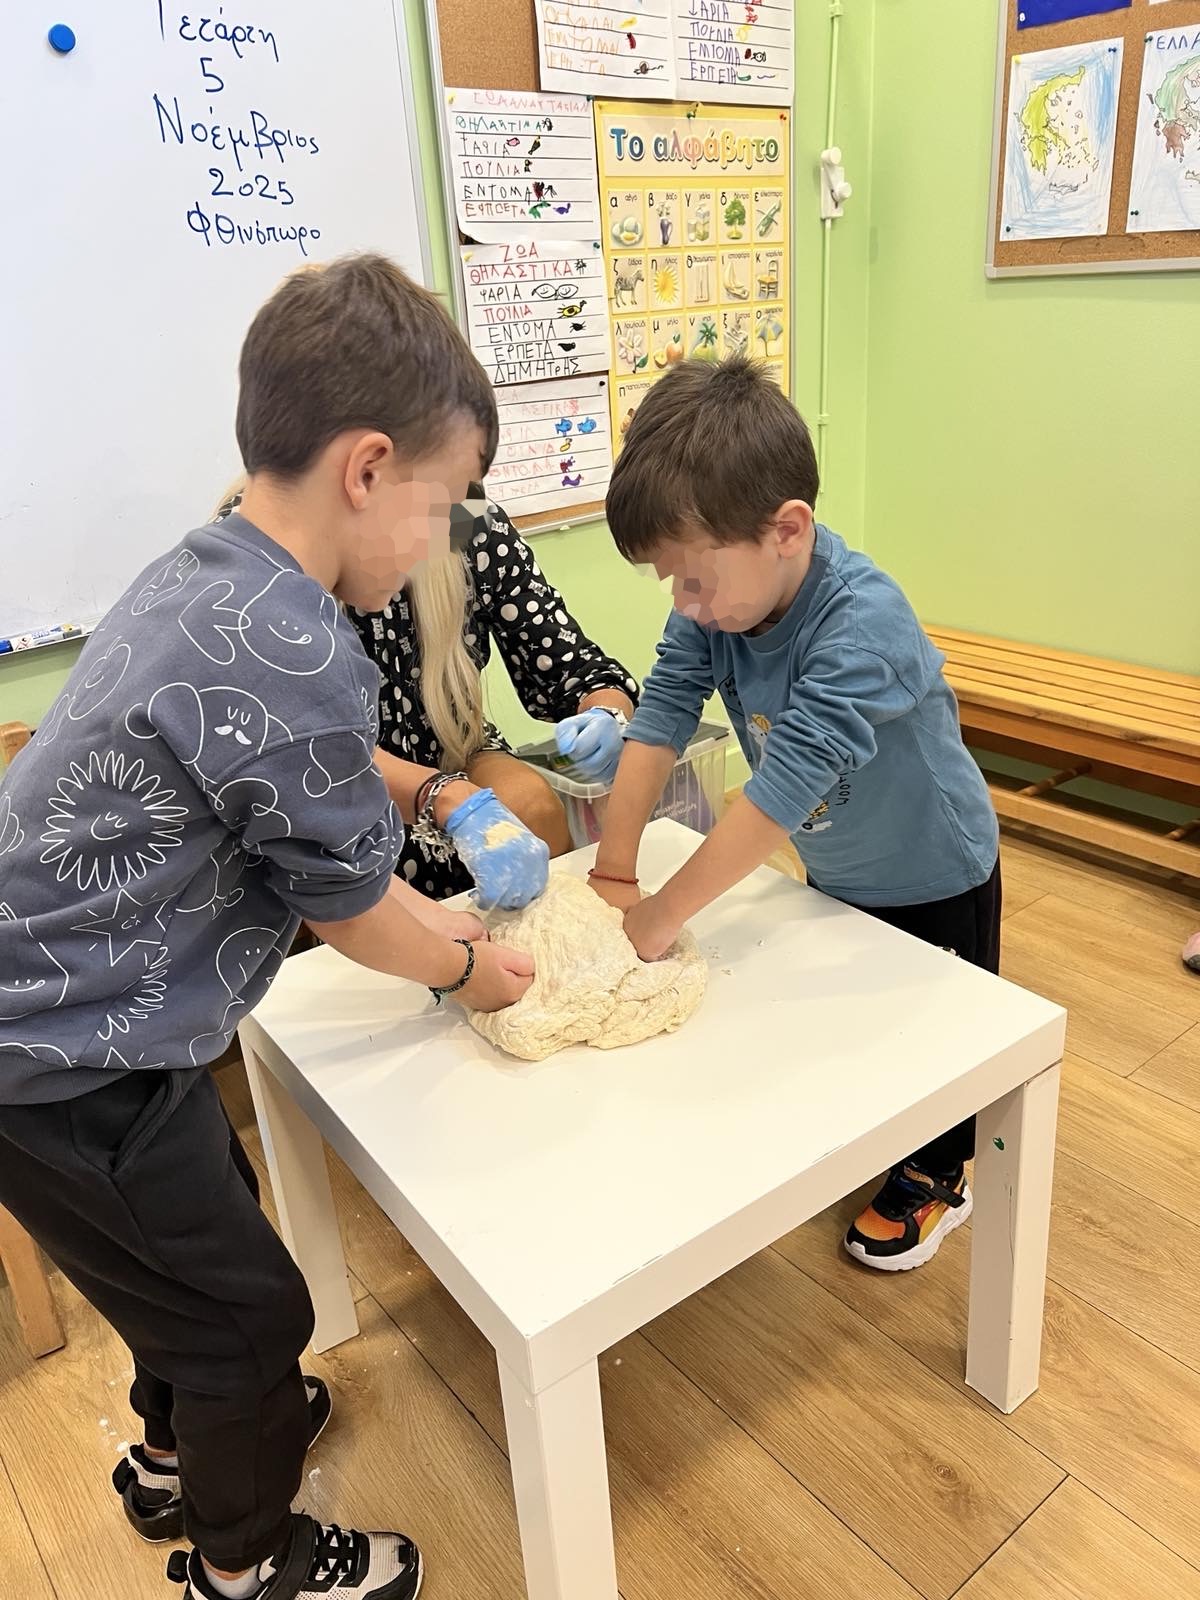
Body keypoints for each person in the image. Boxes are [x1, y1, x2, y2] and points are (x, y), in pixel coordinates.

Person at [0, 255, 537, 1600]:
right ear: (369, 470)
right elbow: (348, 909)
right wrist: (469, 968)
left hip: (85, 1031)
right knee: (251, 1315)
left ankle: (175, 1460)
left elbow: (307, 814)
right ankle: (247, 1564)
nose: (434, 544)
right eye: (439, 507)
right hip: (67, 1061)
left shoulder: (205, 573)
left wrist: (434, 862)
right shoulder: (300, 648)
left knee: (184, 1255)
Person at [589, 357, 1001, 1275]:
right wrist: (614, 868)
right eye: (670, 584)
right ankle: (883, 1133)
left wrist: (660, 913)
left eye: (694, 581)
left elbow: (780, 792)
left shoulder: (862, 622)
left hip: (935, 869)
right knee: (862, 1027)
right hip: (840, 864)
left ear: (787, 530)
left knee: (939, 1037)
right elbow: (660, 716)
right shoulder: (715, 610)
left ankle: (938, 1175)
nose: (684, 605)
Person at [213, 484, 639, 901]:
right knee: (345, 870)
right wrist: (442, 798)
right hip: (327, 782)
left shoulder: (465, 514)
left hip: (453, 743)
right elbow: (295, 752)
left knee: (532, 808)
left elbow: (571, 661)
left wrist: (607, 714)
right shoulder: (262, 543)